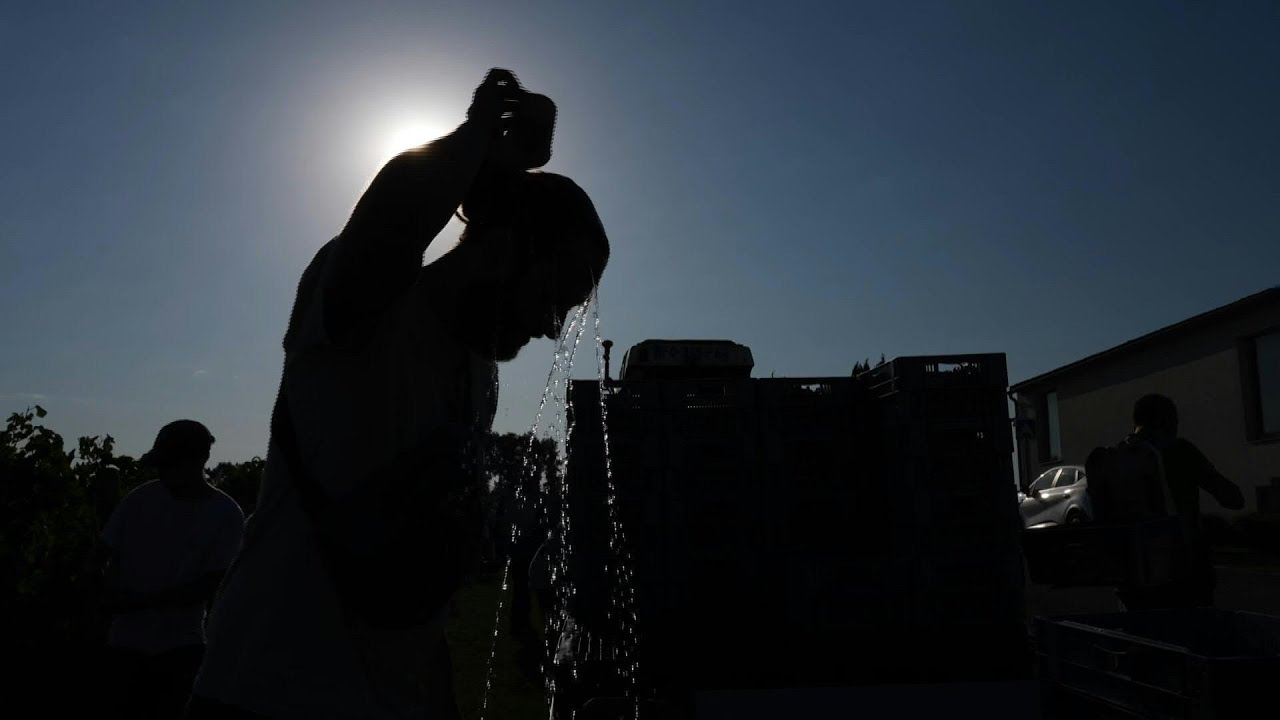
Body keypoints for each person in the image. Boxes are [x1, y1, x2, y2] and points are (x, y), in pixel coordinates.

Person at [188, 69, 609, 719]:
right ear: (506, 246)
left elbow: (421, 589)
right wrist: (482, 139)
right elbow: (393, 218)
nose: (555, 326)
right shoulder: (369, 311)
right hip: (265, 690)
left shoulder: (478, 374)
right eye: (557, 295)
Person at [89, 419, 246, 719]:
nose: (161, 472)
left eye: (168, 463)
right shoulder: (140, 499)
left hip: (179, 650)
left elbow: (211, 584)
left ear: (196, 461)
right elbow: (101, 553)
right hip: (123, 645)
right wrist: (99, 588)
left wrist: (135, 603)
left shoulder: (225, 515)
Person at [1107, 394, 1246, 610]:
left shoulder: (1116, 457)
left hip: (1134, 577)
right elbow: (1233, 499)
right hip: (1183, 573)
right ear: (1167, 421)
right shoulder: (1180, 450)